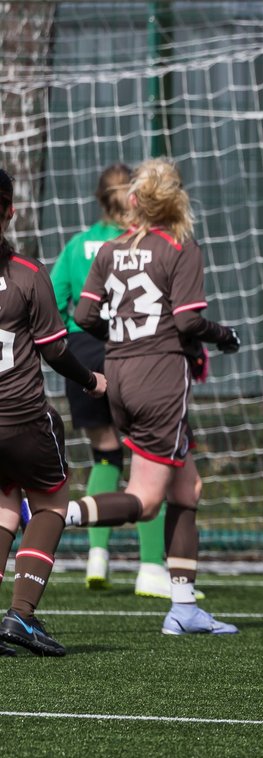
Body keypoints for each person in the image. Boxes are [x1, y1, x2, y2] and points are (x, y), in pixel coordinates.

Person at [59, 157, 241, 636]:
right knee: (144, 500)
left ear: (135, 202)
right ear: (177, 199)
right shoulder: (180, 246)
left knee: (188, 488)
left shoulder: (110, 249)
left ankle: (183, 605)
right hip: (161, 378)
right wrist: (224, 335)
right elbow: (186, 323)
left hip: (118, 374)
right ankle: (56, 515)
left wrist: (122, 337)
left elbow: (85, 316)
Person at [49, 163, 179, 598]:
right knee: (150, 459)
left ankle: (97, 556)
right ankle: (150, 567)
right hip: (137, 357)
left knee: (105, 454)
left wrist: (71, 331)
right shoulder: (145, 244)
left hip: (83, 355)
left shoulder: (78, 246)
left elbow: (56, 296)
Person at [0, 167, 108, 656]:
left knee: (2, 506)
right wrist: (91, 379)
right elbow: (55, 349)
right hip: (22, 417)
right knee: (51, 502)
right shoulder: (26, 272)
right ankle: (21, 616)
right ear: (10, 210)